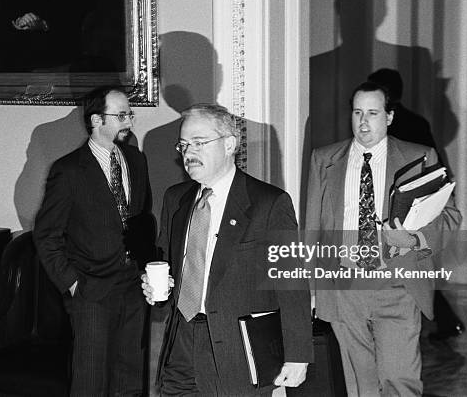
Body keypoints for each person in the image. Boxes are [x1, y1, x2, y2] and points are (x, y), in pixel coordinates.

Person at [142, 104, 312, 395]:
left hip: (239, 351)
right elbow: (166, 262)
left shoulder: (269, 203)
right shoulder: (176, 199)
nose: (188, 153)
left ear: (230, 144)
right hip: (181, 343)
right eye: (183, 144)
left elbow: (292, 283)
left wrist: (298, 355)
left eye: (198, 142)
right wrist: (157, 287)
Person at [305, 81, 461, 396]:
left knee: (399, 379)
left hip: (397, 288)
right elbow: (314, 229)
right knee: (358, 385)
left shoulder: (419, 157)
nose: (364, 122)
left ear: (389, 117)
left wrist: (414, 240)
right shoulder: (325, 159)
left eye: (373, 113)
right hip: (344, 288)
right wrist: (311, 288)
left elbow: (451, 217)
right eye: (357, 112)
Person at [34, 86, 153, 396]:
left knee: (130, 379)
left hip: (134, 288)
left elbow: (142, 218)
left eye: (130, 114)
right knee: (91, 382)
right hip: (91, 292)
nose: (129, 121)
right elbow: (47, 235)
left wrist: (148, 267)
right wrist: (73, 284)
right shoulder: (69, 170)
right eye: (122, 115)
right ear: (96, 119)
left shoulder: (135, 160)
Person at [368, 67, 466, 340]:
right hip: (418, 205)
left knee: (410, 268)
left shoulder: (387, 122)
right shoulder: (417, 121)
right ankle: (444, 322)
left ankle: (436, 321)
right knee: (416, 267)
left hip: (397, 208)